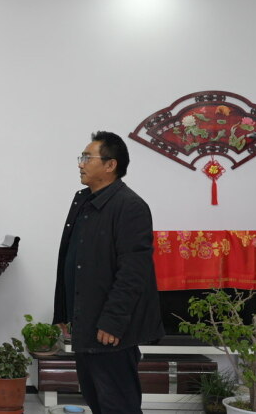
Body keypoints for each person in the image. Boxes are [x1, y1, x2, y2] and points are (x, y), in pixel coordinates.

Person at [52, 131, 164, 413]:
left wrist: (113, 322)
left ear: (110, 165)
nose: (80, 164)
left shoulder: (130, 206)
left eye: (87, 158)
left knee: (118, 404)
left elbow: (133, 272)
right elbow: (72, 259)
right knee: (96, 400)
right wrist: (63, 312)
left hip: (110, 330)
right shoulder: (84, 200)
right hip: (87, 322)